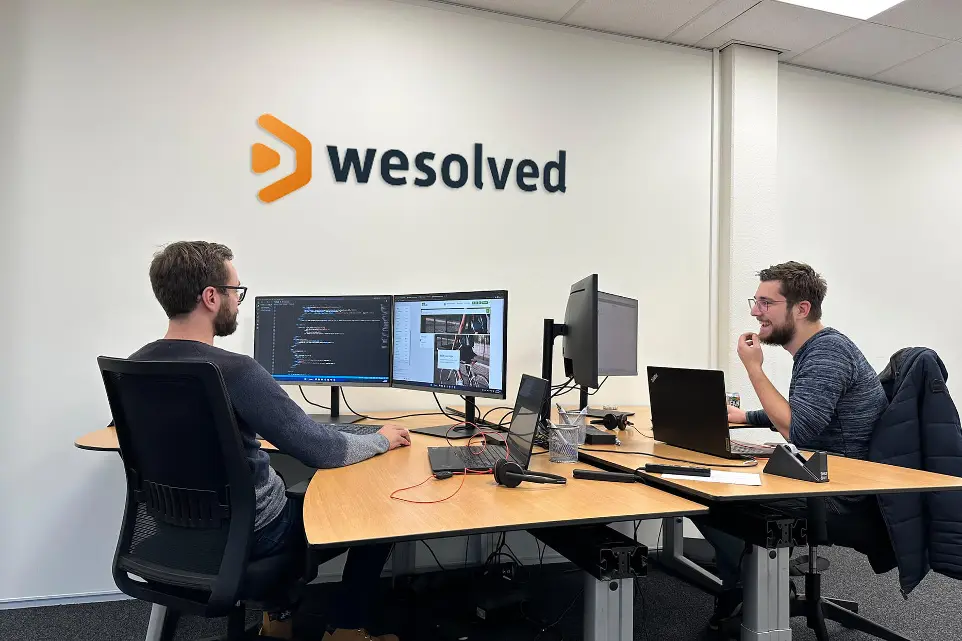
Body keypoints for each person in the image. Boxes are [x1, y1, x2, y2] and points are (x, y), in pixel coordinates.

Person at [130, 241, 409, 641]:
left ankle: (277, 620)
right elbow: (321, 450)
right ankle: (347, 630)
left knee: (280, 483)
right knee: (378, 511)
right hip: (257, 534)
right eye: (235, 291)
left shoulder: (135, 366)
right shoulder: (237, 372)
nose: (238, 302)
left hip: (176, 528)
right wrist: (381, 439)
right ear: (211, 297)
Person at [698, 261, 889, 632]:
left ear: (801, 309)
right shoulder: (816, 350)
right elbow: (806, 413)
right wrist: (744, 417)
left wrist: (754, 369)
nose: (756, 312)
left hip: (841, 494)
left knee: (711, 498)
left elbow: (797, 428)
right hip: (822, 474)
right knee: (713, 483)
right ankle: (748, 581)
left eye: (766, 303)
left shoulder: (827, 352)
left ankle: (748, 586)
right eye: (755, 302)